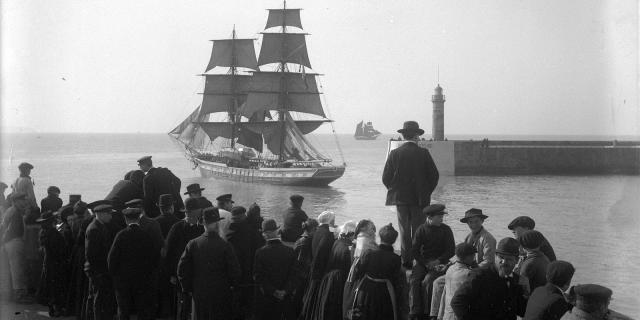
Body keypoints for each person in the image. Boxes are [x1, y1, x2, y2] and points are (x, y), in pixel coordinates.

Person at [382, 121, 439, 269]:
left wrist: (395, 190)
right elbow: (434, 176)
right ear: (416, 136)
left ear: (403, 135)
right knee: (418, 231)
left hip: (400, 199)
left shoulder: (394, 153)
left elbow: (385, 178)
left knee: (404, 231)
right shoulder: (423, 153)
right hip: (419, 200)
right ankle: (417, 260)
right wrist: (426, 192)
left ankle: (406, 261)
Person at [429, 208, 497, 318]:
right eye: (470, 222)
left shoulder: (488, 238)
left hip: (481, 273)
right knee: (437, 282)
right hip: (467, 270)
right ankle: (434, 314)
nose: (473, 225)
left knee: (452, 284)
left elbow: (488, 262)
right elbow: (461, 256)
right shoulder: (469, 236)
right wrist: (448, 265)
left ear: (482, 221)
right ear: (467, 223)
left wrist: (472, 271)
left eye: (476, 221)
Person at [178, 207, 241, 320]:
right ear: (217, 223)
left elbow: (182, 270)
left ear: (204, 224)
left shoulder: (193, 244)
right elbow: (235, 271)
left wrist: (187, 289)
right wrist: (232, 287)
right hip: (221, 293)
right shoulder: (226, 246)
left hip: (199, 293)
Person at [450, 237, 529, 320]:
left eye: (509, 259)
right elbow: (457, 302)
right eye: (501, 257)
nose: (504, 262)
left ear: (516, 260)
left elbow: (521, 311)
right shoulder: (479, 276)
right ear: (495, 257)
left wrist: (525, 293)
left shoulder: (517, 281)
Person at [108, 206, 160, 320]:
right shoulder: (146, 235)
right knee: (143, 309)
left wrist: (114, 276)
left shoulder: (121, 235)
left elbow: (112, 258)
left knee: (123, 309)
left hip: (123, 280)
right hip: (142, 279)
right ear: (138, 218)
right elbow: (154, 258)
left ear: (126, 220)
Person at [348, 223, 403, 320]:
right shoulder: (396, 258)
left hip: (366, 289)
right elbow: (395, 279)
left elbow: (359, 271)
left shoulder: (369, 253)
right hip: (384, 292)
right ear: (394, 241)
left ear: (380, 237)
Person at [409, 204, 455, 320]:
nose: (441, 219)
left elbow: (451, 250)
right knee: (414, 280)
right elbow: (414, 251)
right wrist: (425, 263)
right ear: (430, 217)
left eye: (441, 216)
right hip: (424, 262)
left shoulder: (446, 230)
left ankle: (428, 312)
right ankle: (415, 311)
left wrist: (438, 260)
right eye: (439, 217)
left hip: (441, 262)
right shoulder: (421, 230)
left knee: (428, 281)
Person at [165, 198, 205, 320]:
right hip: (181, 275)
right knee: (182, 305)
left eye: (189, 212)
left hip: (199, 275)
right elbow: (168, 252)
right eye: (186, 212)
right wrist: (171, 274)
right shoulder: (177, 228)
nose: (187, 215)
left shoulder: (203, 229)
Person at [253, 219, 298, 320]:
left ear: (265, 234)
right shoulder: (290, 251)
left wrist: (274, 291)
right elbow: (294, 275)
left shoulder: (260, 253)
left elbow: (257, 276)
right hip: (285, 297)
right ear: (277, 231)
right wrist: (285, 291)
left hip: (267, 298)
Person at [310, 221, 356, 320]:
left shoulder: (337, 242)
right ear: (351, 234)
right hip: (338, 282)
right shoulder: (347, 250)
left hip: (329, 279)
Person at [300, 211, 337, 320]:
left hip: (313, 269)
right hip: (320, 272)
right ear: (331, 221)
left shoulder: (317, 231)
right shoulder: (328, 235)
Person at [226, 206, 261, 319]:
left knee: (236, 305)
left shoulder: (230, 234)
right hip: (251, 275)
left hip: (236, 276)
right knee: (249, 304)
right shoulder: (254, 231)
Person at [84, 202, 117, 320]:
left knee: (97, 297)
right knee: (98, 299)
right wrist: (99, 272)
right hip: (98, 270)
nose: (111, 217)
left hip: (99, 270)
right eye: (109, 214)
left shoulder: (99, 226)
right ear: (101, 214)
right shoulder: (94, 229)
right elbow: (91, 255)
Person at [36, 210, 68, 317]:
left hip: (47, 262)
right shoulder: (54, 234)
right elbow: (60, 250)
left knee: (49, 285)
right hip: (56, 263)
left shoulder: (43, 233)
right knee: (56, 286)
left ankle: (51, 307)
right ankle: (56, 308)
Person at [343, 219, 378, 316]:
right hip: (362, 279)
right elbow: (361, 263)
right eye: (372, 228)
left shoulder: (361, 239)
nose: (374, 231)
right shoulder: (364, 242)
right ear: (364, 229)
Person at [0, 192, 30, 303]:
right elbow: (10, 230)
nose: (25, 202)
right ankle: (19, 296)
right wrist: (6, 241)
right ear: (16, 201)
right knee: (17, 270)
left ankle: (9, 295)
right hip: (14, 242)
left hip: (9, 243)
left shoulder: (10, 210)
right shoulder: (15, 212)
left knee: (10, 270)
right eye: (23, 200)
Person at [439, 243, 476, 320]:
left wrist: (440, 316)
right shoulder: (468, 274)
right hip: (458, 315)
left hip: (447, 315)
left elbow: (444, 294)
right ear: (468, 257)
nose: (474, 258)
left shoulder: (450, 269)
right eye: (473, 256)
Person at [293, 218, 318, 317]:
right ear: (313, 229)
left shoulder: (301, 240)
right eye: (316, 229)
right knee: (299, 300)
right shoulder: (306, 243)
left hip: (299, 277)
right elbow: (302, 262)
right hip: (301, 278)